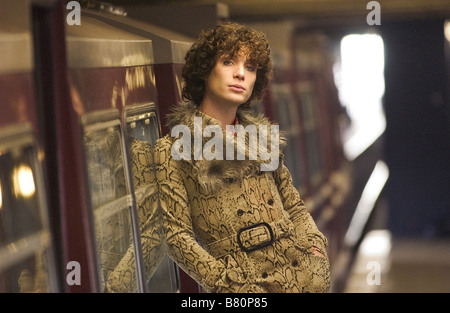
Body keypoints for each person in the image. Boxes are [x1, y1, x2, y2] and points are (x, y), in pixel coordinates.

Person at [155, 22, 330, 293]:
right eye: (228, 62)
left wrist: (316, 252)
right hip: (244, 286)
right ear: (205, 71)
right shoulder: (174, 148)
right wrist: (228, 286)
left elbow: (293, 205)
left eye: (250, 68)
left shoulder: (262, 139)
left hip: (301, 277)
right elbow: (176, 236)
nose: (240, 74)